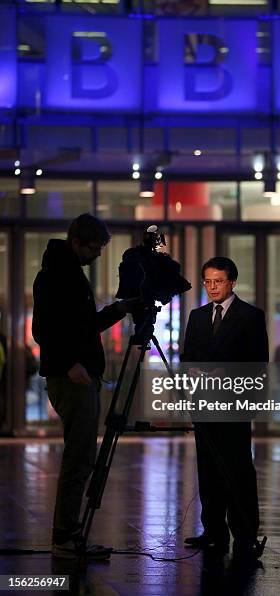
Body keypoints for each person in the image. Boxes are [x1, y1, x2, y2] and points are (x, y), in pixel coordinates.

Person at [32, 213, 128, 560]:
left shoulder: (68, 274)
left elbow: (84, 327)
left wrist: (119, 310)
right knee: (79, 457)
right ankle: (65, 536)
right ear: (76, 242)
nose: (98, 254)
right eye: (94, 247)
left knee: (82, 456)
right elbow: (43, 330)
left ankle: (68, 533)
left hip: (78, 375)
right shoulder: (57, 276)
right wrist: (69, 364)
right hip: (72, 378)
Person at [182, 257, 269, 560]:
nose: (212, 287)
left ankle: (245, 533)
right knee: (208, 469)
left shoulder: (251, 316)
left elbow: (258, 362)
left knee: (238, 468)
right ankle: (214, 530)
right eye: (207, 281)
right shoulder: (197, 316)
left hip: (234, 404)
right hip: (204, 404)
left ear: (232, 281)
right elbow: (187, 357)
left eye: (218, 281)